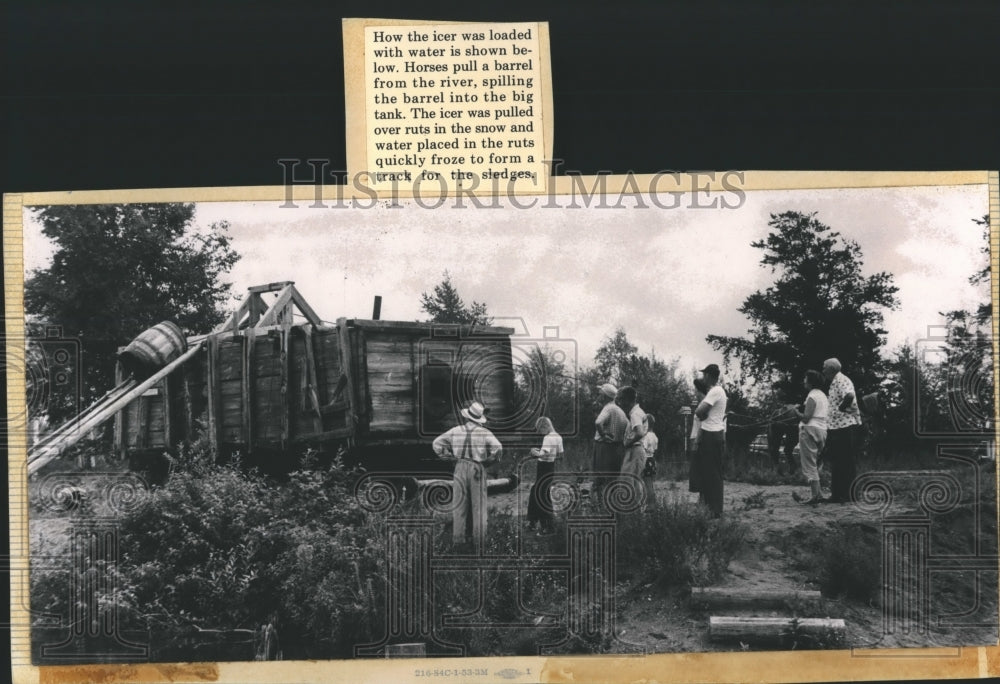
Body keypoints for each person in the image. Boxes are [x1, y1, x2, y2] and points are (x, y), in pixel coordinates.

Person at [432, 400, 502, 549]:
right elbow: (498, 448)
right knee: (479, 507)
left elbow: (436, 443)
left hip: (460, 466)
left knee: (459, 506)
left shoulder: (455, 430)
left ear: (467, 416)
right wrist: (488, 462)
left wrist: (448, 456)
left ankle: (459, 542)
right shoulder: (484, 432)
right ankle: (480, 543)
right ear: (479, 418)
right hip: (477, 468)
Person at [821, 358, 862, 503]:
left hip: (845, 427)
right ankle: (838, 495)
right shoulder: (835, 382)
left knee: (845, 462)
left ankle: (848, 495)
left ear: (832, 369)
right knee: (838, 462)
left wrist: (841, 408)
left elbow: (849, 395)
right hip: (837, 427)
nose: (823, 370)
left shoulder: (841, 379)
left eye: (824, 367)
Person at [790, 370, 829, 504]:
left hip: (810, 430)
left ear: (811, 382)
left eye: (806, 379)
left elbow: (806, 418)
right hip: (822, 429)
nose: (804, 381)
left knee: (809, 463)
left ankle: (815, 496)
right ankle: (818, 493)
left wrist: (795, 411)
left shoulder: (812, 396)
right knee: (814, 461)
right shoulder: (823, 396)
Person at [694, 364, 727, 517]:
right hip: (715, 433)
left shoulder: (715, 391)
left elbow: (700, 411)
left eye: (704, 374)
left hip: (711, 434)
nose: (703, 378)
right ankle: (711, 508)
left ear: (708, 375)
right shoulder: (717, 391)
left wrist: (703, 415)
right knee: (711, 472)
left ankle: (714, 510)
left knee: (712, 473)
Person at [526, 416, 563, 534]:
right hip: (550, 468)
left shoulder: (548, 438)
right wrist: (542, 452)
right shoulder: (558, 436)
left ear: (544, 426)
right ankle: (535, 522)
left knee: (541, 495)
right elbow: (560, 456)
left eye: (539, 429)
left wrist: (534, 452)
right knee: (539, 492)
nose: (540, 433)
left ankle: (546, 525)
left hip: (543, 468)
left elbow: (544, 456)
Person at [593, 382, 628, 504]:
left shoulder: (608, 408)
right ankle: (613, 504)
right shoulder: (620, 411)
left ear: (605, 396)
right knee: (613, 478)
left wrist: (603, 435)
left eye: (600, 394)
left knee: (600, 478)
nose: (598, 396)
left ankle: (600, 505)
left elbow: (598, 422)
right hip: (617, 449)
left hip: (604, 448)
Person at [618, 386, 647, 497]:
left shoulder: (635, 414)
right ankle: (637, 509)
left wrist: (628, 442)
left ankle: (633, 509)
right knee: (635, 481)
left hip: (635, 449)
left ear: (627, 400)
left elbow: (639, 432)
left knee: (628, 480)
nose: (620, 403)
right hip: (637, 449)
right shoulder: (638, 412)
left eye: (621, 399)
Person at [768, 376, 800, 475]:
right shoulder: (792, 404)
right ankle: (789, 466)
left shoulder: (781, 409)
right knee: (786, 449)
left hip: (786, 420)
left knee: (776, 446)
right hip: (791, 421)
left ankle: (777, 467)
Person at [688, 378, 708, 494]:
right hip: (694, 438)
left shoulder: (705, 404)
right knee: (696, 470)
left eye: (695, 389)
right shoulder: (700, 404)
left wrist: (696, 441)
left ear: (699, 390)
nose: (694, 392)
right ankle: (701, 497)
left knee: (700, 470)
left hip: (698, 439)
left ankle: (703, 497)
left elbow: (703, 425)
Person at [641, 414, 659, 507]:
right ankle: (653, 502)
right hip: (652, 459)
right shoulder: (654, 436)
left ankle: (650, 504)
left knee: (646, 483)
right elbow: (655, 449)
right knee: (650, 483)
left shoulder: (646, 436)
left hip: (646, 459)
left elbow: (642, 448)